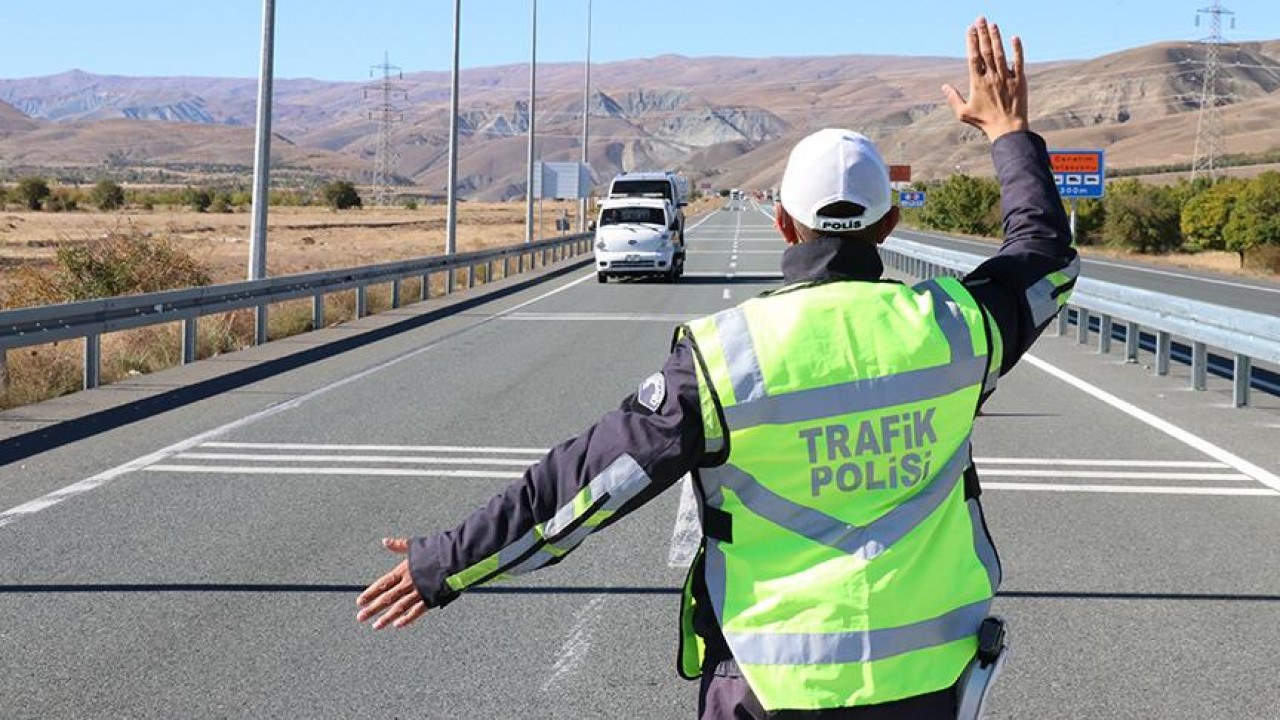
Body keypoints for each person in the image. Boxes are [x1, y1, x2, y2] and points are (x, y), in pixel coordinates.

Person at [358, 17, 1077, 719]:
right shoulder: (957, 328)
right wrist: (1007, 132)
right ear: (888, 227)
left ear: (783, 224)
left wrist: (445, 564)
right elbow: (1044, 253)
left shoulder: (725, 360)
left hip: (769, 687)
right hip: (932, 681)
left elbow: (579, 488)